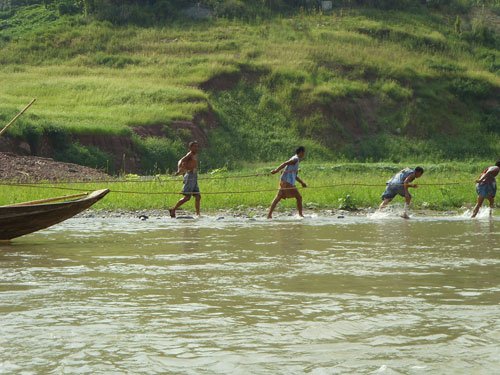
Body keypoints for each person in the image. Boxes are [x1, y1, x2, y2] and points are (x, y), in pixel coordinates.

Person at [267, 146, 307, 219]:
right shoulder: (295, 159)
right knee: (299, 197)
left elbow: (294, 176)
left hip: (283, 182)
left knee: (278, 198)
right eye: (304, 152)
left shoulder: (295, 160)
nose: (304, 154)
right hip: (287, 183)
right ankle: (300, 215)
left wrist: (302, 183)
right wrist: (276, 170)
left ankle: (269, 215)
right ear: (301, 152)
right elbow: (285, 163)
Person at [169, 141, 201, 218]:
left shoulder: (194, 155)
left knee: (198, 196)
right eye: (194, 146)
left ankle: (198, 214)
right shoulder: (189, 154)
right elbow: (181, 161)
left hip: (194, 176)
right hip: (190, 176)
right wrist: (179, 170)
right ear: (190, 148)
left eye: (197, 146)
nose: (196, 148)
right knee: (187, 197)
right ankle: (173, 209)